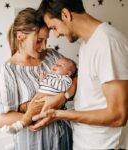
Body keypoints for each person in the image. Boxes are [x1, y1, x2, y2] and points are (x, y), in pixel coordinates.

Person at [30, 0, 128, 149]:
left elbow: (118, 116)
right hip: (85, 142)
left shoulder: (108, 43)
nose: (56, 35)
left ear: (65, 14)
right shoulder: (86, 45)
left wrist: (59, 115)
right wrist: (62, 96)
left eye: (54, 27)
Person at [0, 7, 76, 150]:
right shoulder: (7, 72)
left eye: (46, 40)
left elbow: (76, 78)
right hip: (34, 144)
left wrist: (63, 97)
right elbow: (0, 119)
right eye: (39, 40)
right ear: (20, 37)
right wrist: (39, 116)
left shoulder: (52, 57)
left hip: (64, 139)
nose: (43, 46)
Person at [1, 57, 77, 134]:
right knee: (23, 106)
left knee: (32, 112)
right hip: (38, 96)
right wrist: (42, 81)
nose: (55, 66)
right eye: (54, 64)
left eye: (60, 65)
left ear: (68, 73)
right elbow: (43, 86)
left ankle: (17, 127)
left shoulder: (66, 79)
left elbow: (62, 87)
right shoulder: (51, 75)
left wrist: (47, 80)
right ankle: (18, 113)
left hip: (46, 100)